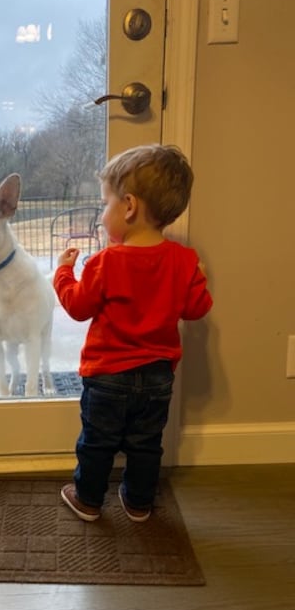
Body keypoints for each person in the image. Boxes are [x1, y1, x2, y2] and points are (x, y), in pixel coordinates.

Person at [54, 144, 212, 523]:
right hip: (157, 377)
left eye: (104, 204)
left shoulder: (106, 261)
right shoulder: (183, 260)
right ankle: (139, 502)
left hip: (107, 375)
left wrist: (62, 273)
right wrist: (198, 277)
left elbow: (77, 307)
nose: (101, 216)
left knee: (97, 441)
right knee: (146, 444)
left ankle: (89, 499)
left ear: (128, 207)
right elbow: (196, 309)